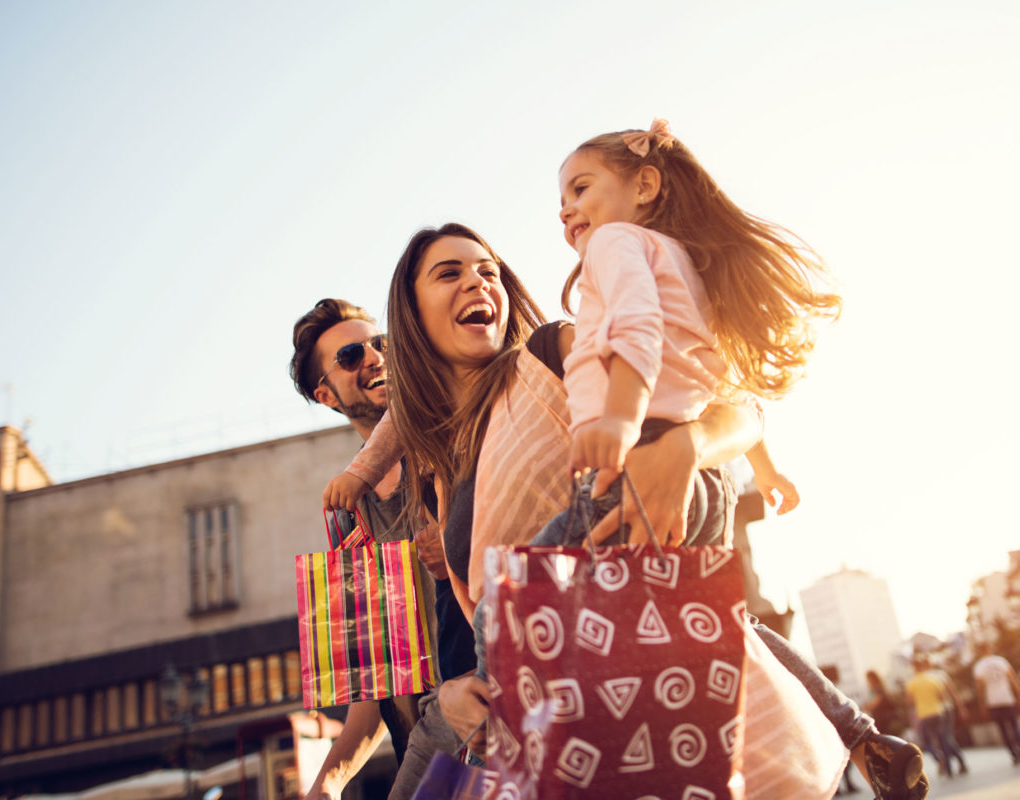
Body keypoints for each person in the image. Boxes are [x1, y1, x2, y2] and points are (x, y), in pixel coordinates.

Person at [327, 210, 922, 798]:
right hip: (562, 733)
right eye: (449, 273)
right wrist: (455, 698)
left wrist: (688, 445)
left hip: (658, 699)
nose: (478, 283)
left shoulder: (550, 353)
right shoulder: (439, 470)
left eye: (488, 271)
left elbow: (736, 405)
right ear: (412, 315)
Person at [290, 298, 466, 800]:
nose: (374, 356)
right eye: (350, 355)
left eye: (380, 344)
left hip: (492, 717)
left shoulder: (452, 444)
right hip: (429, 747)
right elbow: (374, 688)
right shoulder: (348, 517)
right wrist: (329, 783)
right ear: (326, 393)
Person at [906, 652, 969, 778]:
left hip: (936, 712)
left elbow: (909, 702)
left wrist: (960, 707)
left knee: (943, 739)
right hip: (939, 710)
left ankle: (949, 764)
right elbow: (942, 695)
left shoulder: (925, 678)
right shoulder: (933, 678)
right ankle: (951, 765)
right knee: (944, 739)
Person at [972, 640, 1020, 764]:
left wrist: (982, 704)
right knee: (1014, 726)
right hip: (1007, 698)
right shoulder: (1001, 661)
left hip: (993, 702)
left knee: (1003, 729)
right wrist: (1018, 695)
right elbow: (1013, 679)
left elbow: (979, 688)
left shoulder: (979, 666)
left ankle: (1014, 753)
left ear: (980, 652)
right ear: (990, 649)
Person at [865, 669, 906, 737]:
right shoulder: (875, 691)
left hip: (886, 722)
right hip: (882, 722)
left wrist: (868, 705)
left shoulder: (879, 690)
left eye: (868, 679)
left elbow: (873, 705)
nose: (867, 682)